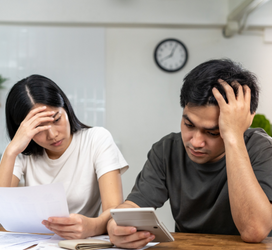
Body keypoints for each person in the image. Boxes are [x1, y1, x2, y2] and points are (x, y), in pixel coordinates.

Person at [107, 59, 272, 248]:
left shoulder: (262, 149)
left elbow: (255, 230)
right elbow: (132, 207)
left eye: (213, 133)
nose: (195, 142)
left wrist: (233, 137)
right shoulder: (166, 150)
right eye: (189, 125)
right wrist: (115, 226)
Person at [0, 74, 128, 239]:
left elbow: (114, 211)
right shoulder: (21, 151)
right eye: (38, 128)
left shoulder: (96, 139)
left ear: (66, 108)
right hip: (35, 242)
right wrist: (11, 152)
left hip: (83, 242)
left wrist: (92, 227)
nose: (52, 135)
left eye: (56, 119)